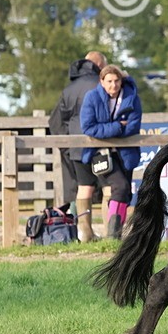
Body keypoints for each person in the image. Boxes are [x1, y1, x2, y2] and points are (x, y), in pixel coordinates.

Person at [48, 50, 106, 241]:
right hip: (101, 144)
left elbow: (56, 121)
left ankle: (83, 232)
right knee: (110, 188)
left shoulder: (69, 89)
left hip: (75, 147)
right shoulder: (100, 85)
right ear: (99, 65)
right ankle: (111, 233)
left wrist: (67, 145)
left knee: (82, 187)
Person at [81, 64, 143, 240]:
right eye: (109, 81)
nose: (113, 85)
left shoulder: (132, 98)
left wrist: (108, 129)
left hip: (126, 153)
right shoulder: (91, 97)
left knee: (125, 193)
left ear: (121, 81)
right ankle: (113, 235)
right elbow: (88, 127)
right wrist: (117, 127)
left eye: (116, 81)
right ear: (101, 82)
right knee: (120, 186)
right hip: (100, 153)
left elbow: (133, 126)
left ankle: (115, 234)